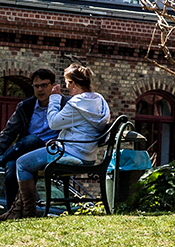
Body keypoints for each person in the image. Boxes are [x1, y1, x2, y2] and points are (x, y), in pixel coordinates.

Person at [5, 62, 110, 220]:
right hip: (88, 155)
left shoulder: (75, 104)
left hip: (71, 153)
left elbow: (53, 122)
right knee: (17, 161)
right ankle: (17, 210)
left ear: (73, 83)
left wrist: (55, 98)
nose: (67, 88)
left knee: (21, 164)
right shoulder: (99, 101)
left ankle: (29, 213)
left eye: (67, 83)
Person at [0, 70, 60, 211]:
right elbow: (9, 132)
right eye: (36, 86)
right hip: (26, 152)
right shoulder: (26, 107)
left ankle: (0, 160)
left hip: (50, 151)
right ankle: (12, 211)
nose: (40, 89)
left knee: (32, 140)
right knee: (11, 166)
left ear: (53, 85)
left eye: (44, 85)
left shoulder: (63, 105)